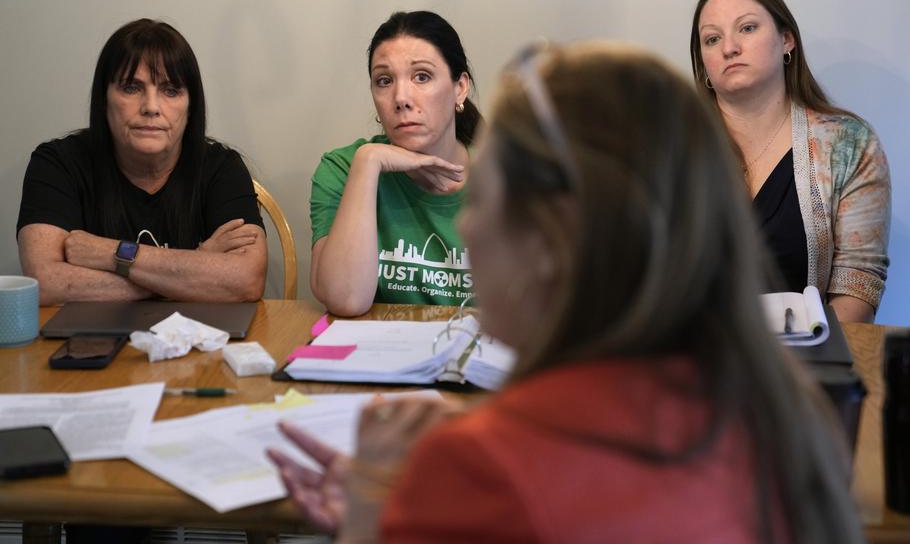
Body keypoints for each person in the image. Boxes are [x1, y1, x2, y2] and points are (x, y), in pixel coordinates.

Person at [268, 42, 863, 543]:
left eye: (488, 198)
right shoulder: (787, 420)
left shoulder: (478, 466)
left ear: (550, 240)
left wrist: (379, 522)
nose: (467, 226)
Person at [17, 18, 266, 306]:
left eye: (170, 90)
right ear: (104, 98)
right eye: (131, 88)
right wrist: (195, 267)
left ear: (191, 106)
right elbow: (46, 283)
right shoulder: (58, 164)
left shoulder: (222, 167)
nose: (151, 107)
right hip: (85, 343)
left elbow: (247, 281)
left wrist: (111, 253)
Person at [690, 0, 890, 323]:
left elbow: (858, 284)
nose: (729, 48)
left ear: (786, 40)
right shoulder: (674, 145)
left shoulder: (849, 143)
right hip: (688, 365)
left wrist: (805, 364)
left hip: (808, 365)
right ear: (704, 63)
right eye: (712, 38)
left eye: (747, 28)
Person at [309, 11, 482, 316]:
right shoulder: (343, 167)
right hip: (378, 358)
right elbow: (344, 299)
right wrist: (369, 161)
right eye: (384, 81)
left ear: (460, 88)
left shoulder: (508, 176)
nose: (401, 97)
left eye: (422, 76)